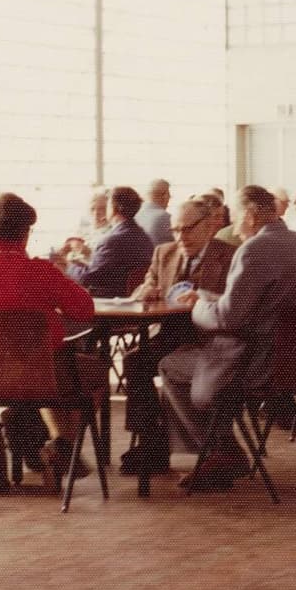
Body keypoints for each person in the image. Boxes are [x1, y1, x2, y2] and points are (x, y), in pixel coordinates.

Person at [156, 185, 296, 490]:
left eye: (235, 216)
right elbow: (260, 304)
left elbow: (229, 318)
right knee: (188, 361)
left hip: (253, 363)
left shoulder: (254, 249)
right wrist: (208, 297)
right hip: (291, 358)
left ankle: (221, 451)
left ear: (249, 215)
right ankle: (222, 451)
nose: (232, 225)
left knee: (170, 364)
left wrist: (198, 307)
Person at [0, 192, 101, 478]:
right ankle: (63, 444)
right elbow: (84, 310)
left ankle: (26, 423)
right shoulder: (40, 271)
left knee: (43, 373)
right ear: (25, 233)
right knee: (92, 373)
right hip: (44, 374)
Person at [119, 198, 236, 476]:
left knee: (169, 364)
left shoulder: (230, 256)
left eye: (187, 229)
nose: (180, 237)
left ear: (209, 227)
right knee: (135, 362)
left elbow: (234, 303)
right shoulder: (164, 253)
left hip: (209, 338)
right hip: (170, 333)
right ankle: (153, 443)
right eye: (176, 230)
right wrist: (145, 291)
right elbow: (146, 284)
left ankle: (217, 448)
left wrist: (204, 298)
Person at [75, 185, 154, 299]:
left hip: (110, 302)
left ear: (113, 207)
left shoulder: (111, 241)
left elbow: (88, 278)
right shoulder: (144, 237)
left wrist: (67, 267)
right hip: (132, 299)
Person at [139, 179, 174, 247]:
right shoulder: (165, 218)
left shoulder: (135, 216)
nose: (169, 198)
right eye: (169, 195)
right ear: (164, 196)